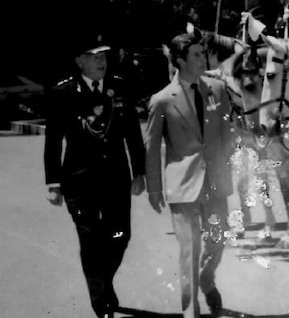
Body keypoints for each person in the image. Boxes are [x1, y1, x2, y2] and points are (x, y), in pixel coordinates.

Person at [44, 34, 146, 318]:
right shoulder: (63, 93)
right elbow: (52, 142)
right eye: (94, 57)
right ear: (79, 61)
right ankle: (101, 301)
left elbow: (133, 135)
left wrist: (139, 171)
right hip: (79, 181)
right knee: (90, 241)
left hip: (116, 178)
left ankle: (104, 281)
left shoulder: (119, 87)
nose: (101, 62)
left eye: (103, 57)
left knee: (120, 235)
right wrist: (53, 184)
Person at [145, 31, 237, 318]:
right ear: (180, 60)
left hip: (214, 183)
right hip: (182, 185)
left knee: (218, 239)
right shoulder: (162, 100)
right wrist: (154, 189)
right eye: (196, 55)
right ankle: (190, 310)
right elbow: (151, 147)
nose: (203, 59)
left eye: (203, 54)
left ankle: (207, 278)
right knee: (190, 247)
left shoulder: (217, 90)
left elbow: (227, 131)